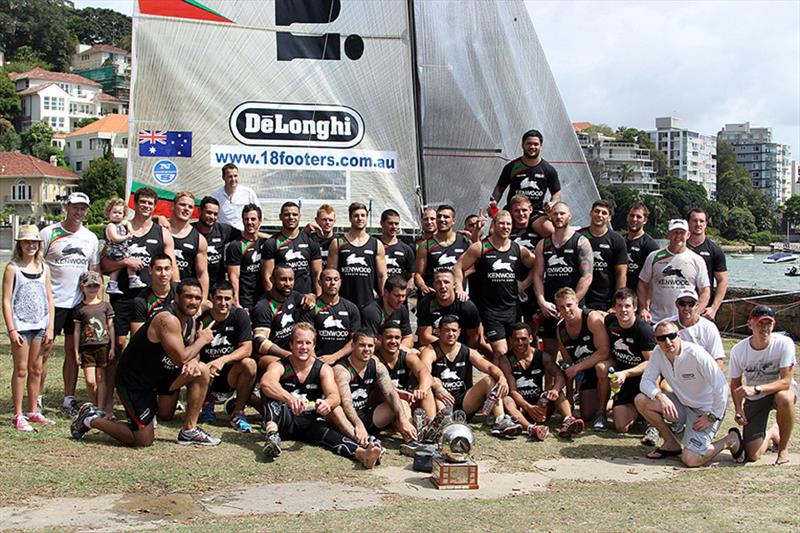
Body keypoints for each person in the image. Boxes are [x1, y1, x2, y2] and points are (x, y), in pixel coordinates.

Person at [70, 279, 220, 447]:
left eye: (197, 298)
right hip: (135, 382)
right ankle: (91, 419)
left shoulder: (190, 320)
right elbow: (181, 357)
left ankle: (189, 431)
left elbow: (189, 354)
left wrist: (194, 359)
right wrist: (203, 340)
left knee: (201, 371)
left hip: (161, 376)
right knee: (143, 440)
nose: (193, 302)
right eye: (188, 297)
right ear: (176, 297)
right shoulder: (167, 319)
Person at [260, 323, 383, 468]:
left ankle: (363, 454)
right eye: (299, 342)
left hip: (310, 419)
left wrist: (327, 404)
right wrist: (289, 398)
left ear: (314, 346)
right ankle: (272, 436)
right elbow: (266, 383)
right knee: (272, 395)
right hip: (284, 419)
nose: (304, 347)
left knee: (332, 435)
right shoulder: (280, 365)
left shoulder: (322, 368)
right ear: (291, 345)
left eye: (308, 343)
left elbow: (334, 396)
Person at [635, 320, 741, 467]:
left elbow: (722, 387)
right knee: (641, 400)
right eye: (661, 338)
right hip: (683, 404)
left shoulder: (696, 354)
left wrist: (711, 417)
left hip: (706, 410)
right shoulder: (658, 353)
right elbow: (645, 382)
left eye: (671, 336)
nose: (668, 341)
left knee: (691, 459)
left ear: (679, 335)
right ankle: (671, 443)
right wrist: (660, 396)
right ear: (656, 340)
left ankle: (730, 440)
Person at [102, 186, 177, 380]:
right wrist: (125, 262)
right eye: (142, 202)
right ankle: (114, 392)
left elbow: (172, 268)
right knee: (117, 346)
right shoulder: (120, 228)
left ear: (155, 206)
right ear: (135, 204)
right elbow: (104, 264)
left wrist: (175, 294)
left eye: (150, 203)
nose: (146, 206)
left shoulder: (162, 233)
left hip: (150, 298)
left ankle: (147, 387)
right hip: (123, 296)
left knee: (153, 345)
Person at [41, 191, 100, 417]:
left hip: (77, 303)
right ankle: (37, 398)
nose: (79, 212)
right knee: (43, 351)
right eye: (75, 207)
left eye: (83, 208)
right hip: (53, 302)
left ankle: (68, 398)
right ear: (66, 207)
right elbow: (39, 264)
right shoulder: (49, 233)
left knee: (72, 353)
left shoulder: (90, 238)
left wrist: (94, 302)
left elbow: (93, 271)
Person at [419, 316, 521, 437]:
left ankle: (500, 421)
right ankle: (443, 424)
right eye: (447, 330)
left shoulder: (466, 350)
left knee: (490, 379)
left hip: (463, 401)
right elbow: (424, 374)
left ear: (459, 332)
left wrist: (502, 378)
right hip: (440, 400)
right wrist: (437, 387)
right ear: (438, 332)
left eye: (454, 330)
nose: (451, 334)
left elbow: (489, 367)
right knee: (433, 381)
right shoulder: (430, 351)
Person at [454, 210, 536, 361]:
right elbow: (458, 266)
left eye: (509, 224)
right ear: (494, 225)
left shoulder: (518, 249)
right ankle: (502, 382)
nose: (505, 227)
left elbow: (537, 265)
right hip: (491, 311)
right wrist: (459, 287)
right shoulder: (480, 247)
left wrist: (524, 284)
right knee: (501, 351)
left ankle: (511, 383)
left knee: (514, 352)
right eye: (502, 223)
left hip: (512, 309)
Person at [3, 225, 55, 431]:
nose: (30, 246)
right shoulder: (12, 268)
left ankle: (33, 410)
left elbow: (50, 298)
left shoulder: (44, 268)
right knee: (21, 370)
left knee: (37, 369)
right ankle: (18, 413)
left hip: (40, 325)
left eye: (34, 242)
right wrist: (12, 329)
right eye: (26, 242)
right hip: (21, 326)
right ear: (20, 244)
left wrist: (50, 326)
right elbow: (6, 300)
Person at [730, 305, 797, 465]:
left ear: (773, 325)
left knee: (785, 397)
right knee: (752, 454)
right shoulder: (738, 350)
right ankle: (773, 432)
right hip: (756, 396)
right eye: (760, 323)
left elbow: (786, 381)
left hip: (778, 390)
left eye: (769, 324)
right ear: (750, 324)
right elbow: (735, 384)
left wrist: (757, 389)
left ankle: (783, 449)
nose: (765, 328)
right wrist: (739, 410)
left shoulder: (784, 343)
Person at [499, 323, 584, 440]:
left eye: (523, 339)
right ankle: (531, 429)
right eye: (516, 339)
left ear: (530, 338)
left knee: (556, 392)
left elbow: (559, 374)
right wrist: (529, 407)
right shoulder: (506, 360)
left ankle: (568, 420)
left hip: (540, 405)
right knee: (507, 399)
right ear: (510, 341)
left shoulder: (542, 356)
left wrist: (555, 389)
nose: (520, 343)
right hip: (520, 407)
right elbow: (513, 391)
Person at [332, 331, 417, 445]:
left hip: (366, 415)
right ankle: (363, 442)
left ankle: (411, 442)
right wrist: (359, 425)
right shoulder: (342, 370)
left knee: (401, 402)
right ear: (353, 346)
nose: (367, 349)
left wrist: (403, 420)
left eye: (370, 346)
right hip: (347, 420)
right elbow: (346, 403)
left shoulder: (377, 366)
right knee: (336, 410)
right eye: (362, 345)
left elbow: (390, 393)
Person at [532, 201, 593, 357]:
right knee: (549, 352)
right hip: (550, 307)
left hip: (573, 307)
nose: (559, 217)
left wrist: (572, 303)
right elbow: (538, 275)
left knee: (575, 354)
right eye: (556, 213)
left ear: (569, 216)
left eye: (562, 214)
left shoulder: (581, 241)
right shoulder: (542, 244)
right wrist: (541, 301)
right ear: (550, 216)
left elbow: (587, 276)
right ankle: (551, 382)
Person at [197, 281, 256, 433]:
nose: (223, 303)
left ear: (233, 299)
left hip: (229, 373)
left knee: (250, 364)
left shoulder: (239, 315)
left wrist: (222, 360)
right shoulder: (200, 318)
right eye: (219, 298)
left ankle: (238, 413)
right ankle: (206, 403)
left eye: (227, 299)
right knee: (201, 367)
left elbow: (247, 348)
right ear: (211, 298)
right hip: (205, 373)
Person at [555, 287, 611, 430]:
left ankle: (604, 411)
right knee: (586, 414)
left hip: (605, 366)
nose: (566, 310)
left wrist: (577, 368)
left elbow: (604, 352)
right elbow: (568, 363)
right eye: (561, 307)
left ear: (577, 302)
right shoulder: (560, 328)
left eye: (569, 305)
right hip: (585, 370)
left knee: (601, 367)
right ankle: (599, 401)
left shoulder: (592, 318)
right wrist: (569, 397)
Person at [638, 219, 710, 324]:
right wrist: (643, 308)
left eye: (682, 233)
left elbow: (705, 291)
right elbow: (642, 284)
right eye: (675, 232)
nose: (678, 236)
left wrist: (695, 313)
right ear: (668, 235)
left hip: (685, 322)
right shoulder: (654, 257)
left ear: (688, 235)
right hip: (657, 320)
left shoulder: (697, 260)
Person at [603, 288, 655, 433]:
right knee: (621, 427)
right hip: (624, 380)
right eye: (619, 306)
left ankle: (647, 413)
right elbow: (599, 315)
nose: (623, 310)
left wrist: (625, 373)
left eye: (627, 306)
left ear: (635, 307)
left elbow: (651, 363)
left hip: (643, 379)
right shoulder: (610, 321)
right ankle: (631, 409)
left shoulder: (643, 330)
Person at [491, 129, 561, 237]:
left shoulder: (548, 169)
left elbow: (557, 193)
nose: (532, 147)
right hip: (513, 211)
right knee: (493, 232)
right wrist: (493, 203)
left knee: (553, 233)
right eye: (529, 144)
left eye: (536, 144)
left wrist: (553, 203)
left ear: (541, 146)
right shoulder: (512, 167)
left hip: (536, 212)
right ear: (522, 145)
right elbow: (500, 188)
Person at [251, 264, 315, 367]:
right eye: (283, 279)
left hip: (295, 351)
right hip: (271, 355)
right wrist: (289, 355)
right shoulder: (263, 306)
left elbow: (311, 298)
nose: (288, 283)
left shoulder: (294, 296)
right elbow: (260, 342)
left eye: (291, 279)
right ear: (272, 280)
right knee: (288, 365)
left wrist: (311, 297)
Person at [327, 202, 388, 308]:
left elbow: (382, 276)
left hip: (368, 302)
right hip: (342, 301)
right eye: (356, 216)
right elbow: (330, 274)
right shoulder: (338, 243)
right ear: (350, 218)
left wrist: (384, 301)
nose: (360, 218)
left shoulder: (376, 244)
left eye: (363, 215)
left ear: (367, 218)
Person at [72, 271, 115, 410]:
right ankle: (94, 404)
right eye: (89, 286)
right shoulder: (79, 308)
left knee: (101, 379)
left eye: (95, 286)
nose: (92, 289)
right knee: (90, 381)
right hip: (86, 347)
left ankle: (100, 408)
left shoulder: (105, 306)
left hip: (103, 345)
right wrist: (76, 350)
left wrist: (113, 347)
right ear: (82, 287)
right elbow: (77, 331)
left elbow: (110, 327)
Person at [376, 322, 436, 419]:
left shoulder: (408, 357)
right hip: (385, 403)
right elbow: (380, 389)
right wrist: (397, 393)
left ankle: (431, 427)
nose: (393, 341)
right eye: (389, 337)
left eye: (397, 338)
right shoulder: (375, 359)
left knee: (427, 389)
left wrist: (422, 389)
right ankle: (410, 429)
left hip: (408, 398)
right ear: (380, 338)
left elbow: (424, 372)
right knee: (399, 400)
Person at [261, 201, 322, 297]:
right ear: (280, 216)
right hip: (282, 300)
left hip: (306, 299)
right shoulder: (271, 243)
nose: (291, 217)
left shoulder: (311, 241)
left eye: (294, 214)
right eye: (287, 214)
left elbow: (317, 273)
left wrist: (318, 297)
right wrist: (276, 300)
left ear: (299, 217)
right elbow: (267, 277)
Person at [580, 200, 628, 311]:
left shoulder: (616, 240)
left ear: (609, 217)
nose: (599, 215)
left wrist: (617, 304)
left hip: (605, 300)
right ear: (591, 213)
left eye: (604, 213)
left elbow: (621, 273)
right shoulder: (579, 236)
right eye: (597, 211)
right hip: (581, 298)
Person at [416, 269, 481, 348]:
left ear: (454, 285)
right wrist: (449, 347)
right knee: (420, 352)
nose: (442, 286)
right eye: (438, 282)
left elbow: (473, 338)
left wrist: (460, 353)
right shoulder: (426, 303)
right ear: (433, 285)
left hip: (461, 349)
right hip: (435, 347)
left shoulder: (466, 306)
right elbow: (425, 338)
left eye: (446, 282)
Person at [414, 204, 472, 295]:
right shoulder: (425, 245)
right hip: (434, 296)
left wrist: (456, 277)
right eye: (439, 216)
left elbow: (472, 268)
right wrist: (423, 286)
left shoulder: (464, 242)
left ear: (453, 221)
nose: (442, 219)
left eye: (446, 217)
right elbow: (418, 275)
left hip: (457, 294)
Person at [668, 287, 725, 369]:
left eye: (691, 304)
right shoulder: (667, 325)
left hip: (701, 373)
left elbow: (718, 360)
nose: (686, 308)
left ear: (697, 306)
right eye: (682, 303)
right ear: (676, 305)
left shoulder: (708, 327)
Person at [686, 208, 728, 320]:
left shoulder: (715, 250)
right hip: (680, 305)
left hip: (704, 308)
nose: (698, 224)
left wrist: (714, 308)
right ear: (688, 223)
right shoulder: (680, 247)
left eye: (701, 221)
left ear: (706, 224)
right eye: (694, 221)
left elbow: (722, 281)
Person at [313, 268, 361, 364]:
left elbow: (355, 340)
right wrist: (315, 362)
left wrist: (334, 357)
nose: (332, 283)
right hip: (317, 360)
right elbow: (305, 339)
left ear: (340, 282)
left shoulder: (351, 308)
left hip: (343, 361)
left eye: (336, 279)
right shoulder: (312, 307)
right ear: (320, 282)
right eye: (328, 279)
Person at [225, 204, 267, 310]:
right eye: (246, 219)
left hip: (264, 298)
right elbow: (233, 277)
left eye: (253, 219)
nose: (249, 222)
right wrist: (236, 302)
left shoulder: (266, 242)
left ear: (260, 221)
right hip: (245, 300)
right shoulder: (236, 245)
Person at [170, 192, 210, 301]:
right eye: (182, 205)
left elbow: (202, 273)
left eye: (190, 207)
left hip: (185, 298)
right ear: (173, 206)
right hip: (160, 293)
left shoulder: (199, 239)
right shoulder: (161, 230)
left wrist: (203, 300)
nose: (186, 209)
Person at [193, 196, 241, 286]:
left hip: (217, 288)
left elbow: (247, 234)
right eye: (209, 213)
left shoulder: (223, 230)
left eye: (215, 214)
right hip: (195, 287)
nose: (212, 217)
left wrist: (269, 237)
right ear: (199, 211)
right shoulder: (190, 230)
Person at [360, 275, 413, 348]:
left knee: (415, 353)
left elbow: (408, 338)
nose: (401, 300)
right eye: (397, 296)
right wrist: (395, 348)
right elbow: (370, 342)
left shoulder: (402, 309)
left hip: (393, 350)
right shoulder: (372, 311)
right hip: (373, 353)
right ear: (386, 293)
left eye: (403, 296)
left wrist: (397, 349)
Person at [130, 254, 176, 335]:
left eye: (167, 269)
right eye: (158, 269)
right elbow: (137, 337)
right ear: (150, 270)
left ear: (172, 270)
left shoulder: (181, 292)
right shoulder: (141, 300)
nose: (163, 274)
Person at [103, 197, 142, 295]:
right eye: (114, 212)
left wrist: (130, 229)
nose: (117, 215)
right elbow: (115, 238)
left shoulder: (121, 223)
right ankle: (132, 278)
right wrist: (127, 236)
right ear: (109, 214)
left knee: (118, 268)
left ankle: (112, 284)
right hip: (115, 250)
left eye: (120, 213)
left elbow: (127, 222)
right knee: (129, 260)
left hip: (121, 249)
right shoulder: (111, 226)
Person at [211, 163, 260, 231]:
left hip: (242, 235)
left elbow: (259, 215)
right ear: (223, 177)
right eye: (230, 176)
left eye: (235, 176)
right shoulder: (215, 195)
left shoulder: (248, 193)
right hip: (222, 235)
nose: (233, 179)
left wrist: (253, 231)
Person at [624, 202, 659, 293]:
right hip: (620, 295)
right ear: (627, 217)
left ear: (645, 220)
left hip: (639, 296)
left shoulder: (650, 245)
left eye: (639, 217)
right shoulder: (620, 240)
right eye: (632, 215)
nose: (634, 219)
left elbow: (655, 276)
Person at [379, 209, 415, 282]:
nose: (394, 227)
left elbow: (411, 276)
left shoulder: (406, 249)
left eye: (396, 223)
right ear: (381, 223)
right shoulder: (374, 246)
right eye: (390, 223)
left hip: (398, 292)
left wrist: (405, 291)